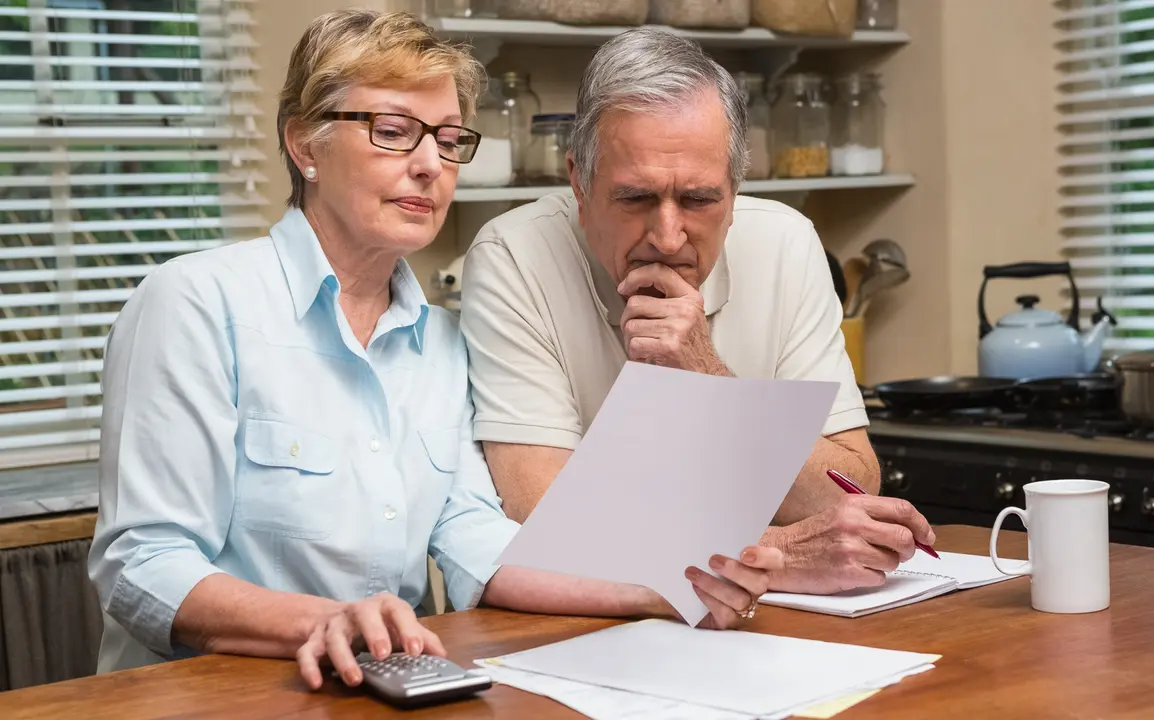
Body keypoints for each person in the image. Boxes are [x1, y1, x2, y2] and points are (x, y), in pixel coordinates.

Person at [88, 10, 780, 689]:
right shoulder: (195, 305)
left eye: (448, 141)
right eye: (394, 132)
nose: (429, 165)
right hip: (211, 700)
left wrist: (663, 587)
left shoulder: (441, 343)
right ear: (305, 145)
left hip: (389, 691)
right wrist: (326, 622)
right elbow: (142, 565)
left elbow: (475, 538)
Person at [460, 28, 935, 597]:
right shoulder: (513, 256)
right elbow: (540, 520)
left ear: (734, 192)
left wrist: (705, 374)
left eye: (699, 200)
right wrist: (776, 552)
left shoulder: (786, 243)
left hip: (772, 623)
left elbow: (850, 495)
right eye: (635, 198)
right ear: (578, 185)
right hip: (588, 629)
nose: (666, 237)